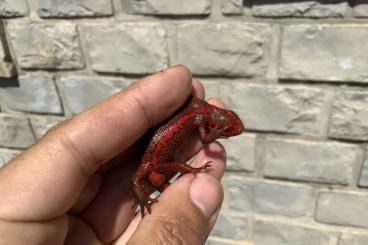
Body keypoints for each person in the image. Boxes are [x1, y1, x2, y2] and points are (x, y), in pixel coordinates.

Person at [0, 65, 227, 244]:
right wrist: (146, 195)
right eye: (161, 185)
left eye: (159, 185)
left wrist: (146, 196)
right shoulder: (155, 166)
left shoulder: (152, 165)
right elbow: (164, 173)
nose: (159, 183)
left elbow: (159, 174)